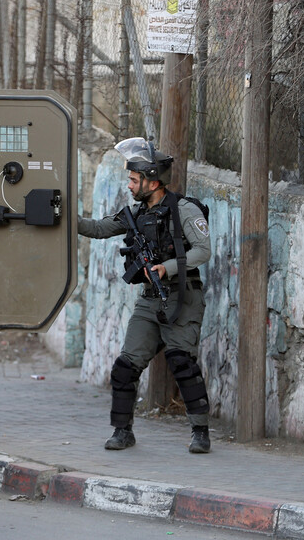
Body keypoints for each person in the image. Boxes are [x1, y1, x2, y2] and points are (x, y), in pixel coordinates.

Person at [78, 137, 213, 453]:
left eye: (134, 180)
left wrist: (166, 267)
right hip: (150, 299)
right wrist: (65, 220)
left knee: (182, 363)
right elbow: (98, 228)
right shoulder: (135, 215)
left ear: (152, 182)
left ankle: (201, 432)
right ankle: (122, 431)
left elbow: (203, 251)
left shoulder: (184, 209)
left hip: (182, 297)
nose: (129, 185)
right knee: (125, 366)